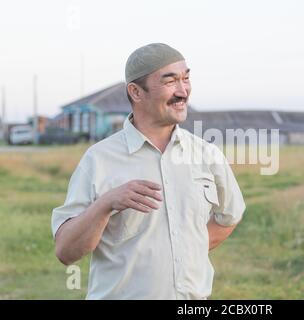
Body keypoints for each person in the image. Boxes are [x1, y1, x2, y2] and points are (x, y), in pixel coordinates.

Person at [51, 43, 246, 299]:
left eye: (186, 79)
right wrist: (105, 204)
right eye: (170, 81)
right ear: (136, 92)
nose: (183, 91)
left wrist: (186, 251)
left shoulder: (206, 154)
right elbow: (66, 251)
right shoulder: (98, 160)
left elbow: (228, 217)